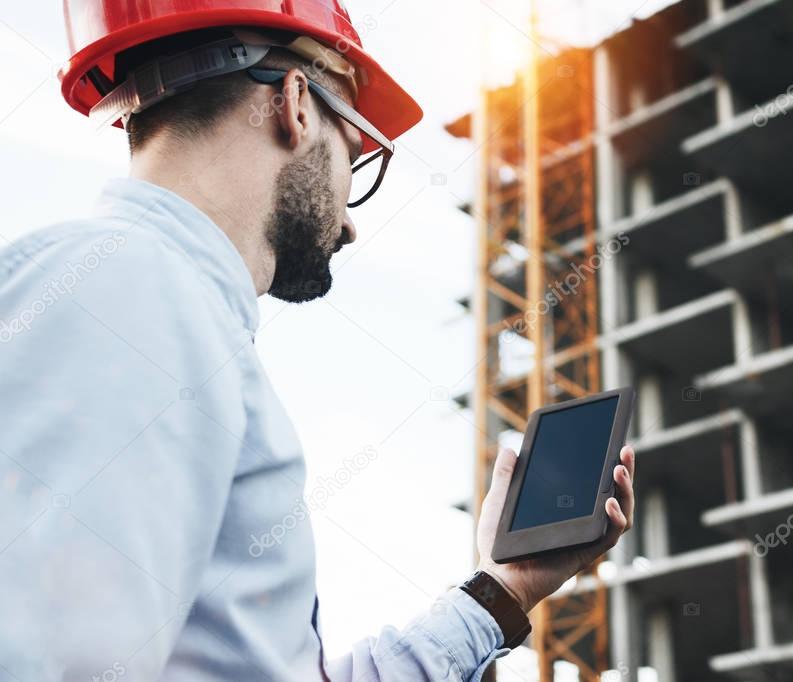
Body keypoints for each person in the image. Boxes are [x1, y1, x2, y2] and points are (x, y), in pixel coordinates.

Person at [0, 2, 637, 679]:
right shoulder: (130, 291)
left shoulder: (155, 305)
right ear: (296, 104)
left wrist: (501, 591)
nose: (351, 226)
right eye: (354, 158)